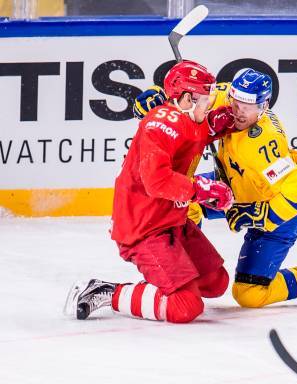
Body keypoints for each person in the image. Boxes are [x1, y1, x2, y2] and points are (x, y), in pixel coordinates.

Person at [135, 68, 297, 308]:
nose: (238, 111)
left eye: (248, 106)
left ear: (264, 105)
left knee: (249, 294)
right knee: (181, 201)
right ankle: (181, 270)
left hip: (274, 210)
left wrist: (265, 215)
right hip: (235, 187)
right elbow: (189, 96)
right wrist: (159, 100)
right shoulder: (229, 99)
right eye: (236, 101)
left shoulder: (264, 145)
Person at [64, 60, 236, 324]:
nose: (210, 103)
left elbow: (193, 133)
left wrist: (215, 124)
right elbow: (156, 181)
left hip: (171, 222)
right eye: (206, 99)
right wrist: (200, 189)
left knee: (216, 282)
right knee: (185, 306)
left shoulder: (187, 115)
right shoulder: (158, 126)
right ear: (188, 98)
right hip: (144, 229)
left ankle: (164, 278)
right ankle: (107, 292)